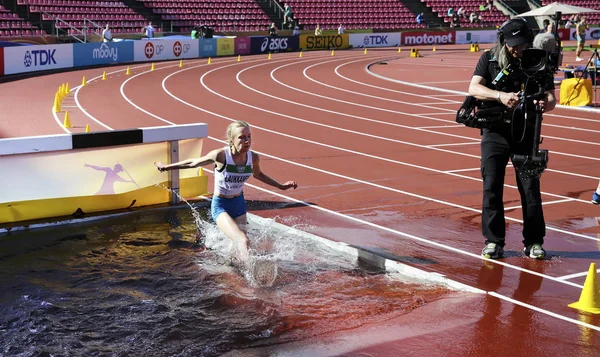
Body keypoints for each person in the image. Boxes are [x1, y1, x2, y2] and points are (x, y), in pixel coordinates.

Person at [467, 18, 556, 259]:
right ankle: (494, 241)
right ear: (503, 41)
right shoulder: (490, 58)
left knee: (530, 189)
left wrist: (543, 103)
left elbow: (551, 98)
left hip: (526, 132)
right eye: (513, 44)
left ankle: (534, 242)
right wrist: (500, 96)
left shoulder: (538, 60)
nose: (518, 49)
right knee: (491, 186)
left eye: (523, 44)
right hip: (494, 132)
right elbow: (473, 88)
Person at [154, 121, 298, 265]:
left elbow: (259, 174)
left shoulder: (253, 157)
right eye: (242, 137)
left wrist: (281, 186)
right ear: (232, 140)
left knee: (237, 247)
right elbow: (193, 162)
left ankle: (230, 270)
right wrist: (166, 167)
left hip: (239, 204)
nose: (247, 141)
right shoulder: (221, 156)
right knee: (243, 240)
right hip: (221, 205)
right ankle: (250, 275)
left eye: (249, 136)